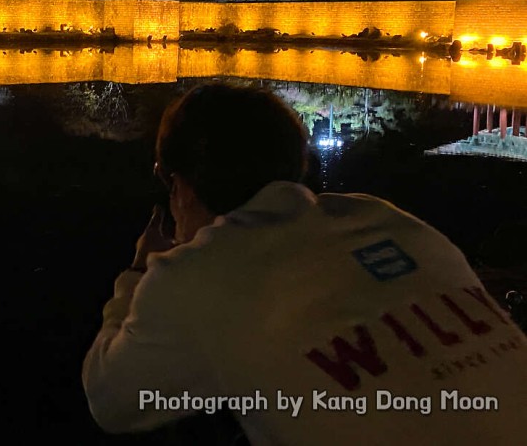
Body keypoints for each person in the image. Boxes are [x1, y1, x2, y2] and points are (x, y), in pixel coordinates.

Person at [82, 83, 527, 445]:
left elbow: (113, 402)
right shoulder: (388, 221)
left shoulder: (193, 272)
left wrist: (141, 270)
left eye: (166, 176)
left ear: (181, 186)